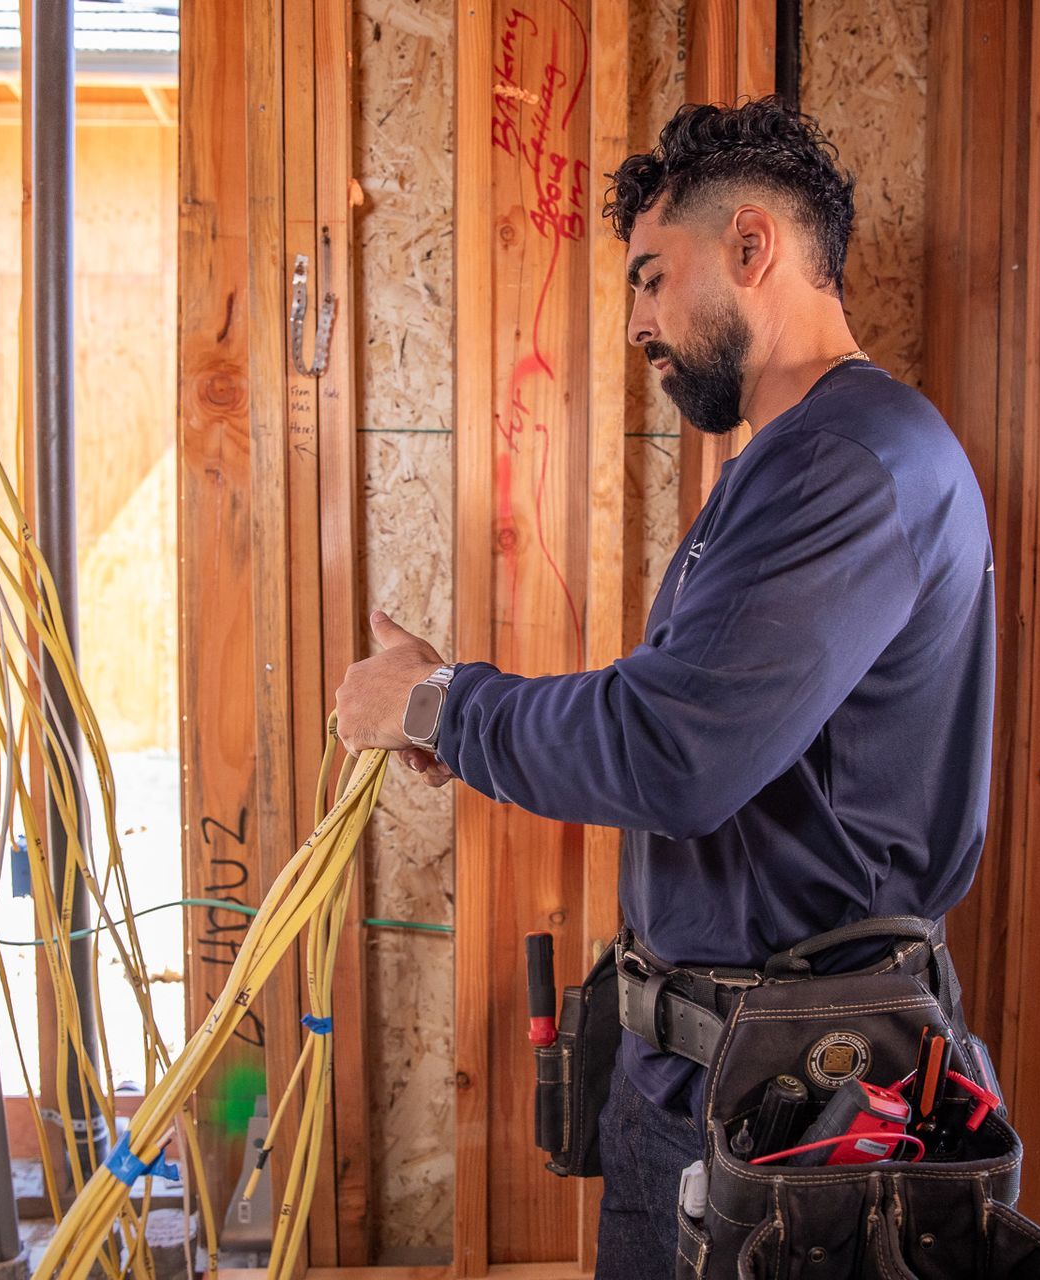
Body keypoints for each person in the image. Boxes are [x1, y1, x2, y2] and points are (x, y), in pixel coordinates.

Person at [333, 96, 996, 1277]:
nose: (636, 320)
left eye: (651, 276)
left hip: (795, 1097)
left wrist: (438, 705)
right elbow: (684, 716)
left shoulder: (849, 462)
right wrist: (467, 715)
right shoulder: (792, 463)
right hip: (716, 1074)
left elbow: (673, 749)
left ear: (751, 246)